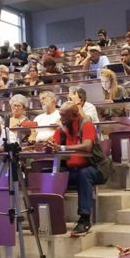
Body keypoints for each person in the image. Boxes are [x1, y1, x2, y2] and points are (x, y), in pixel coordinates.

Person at [45, 101, 100, 236]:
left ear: (74, 115)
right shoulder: (61, 129)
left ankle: (84, 219)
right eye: (60, 115)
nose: (61, 118)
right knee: (47, 175)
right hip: (71, 170)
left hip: (93, 168)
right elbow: (55, 145)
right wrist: (50, 147)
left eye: (64, 116)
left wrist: (63, 148)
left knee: (84, 174)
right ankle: (49, 216)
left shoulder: (86, 124)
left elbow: (87, 146)